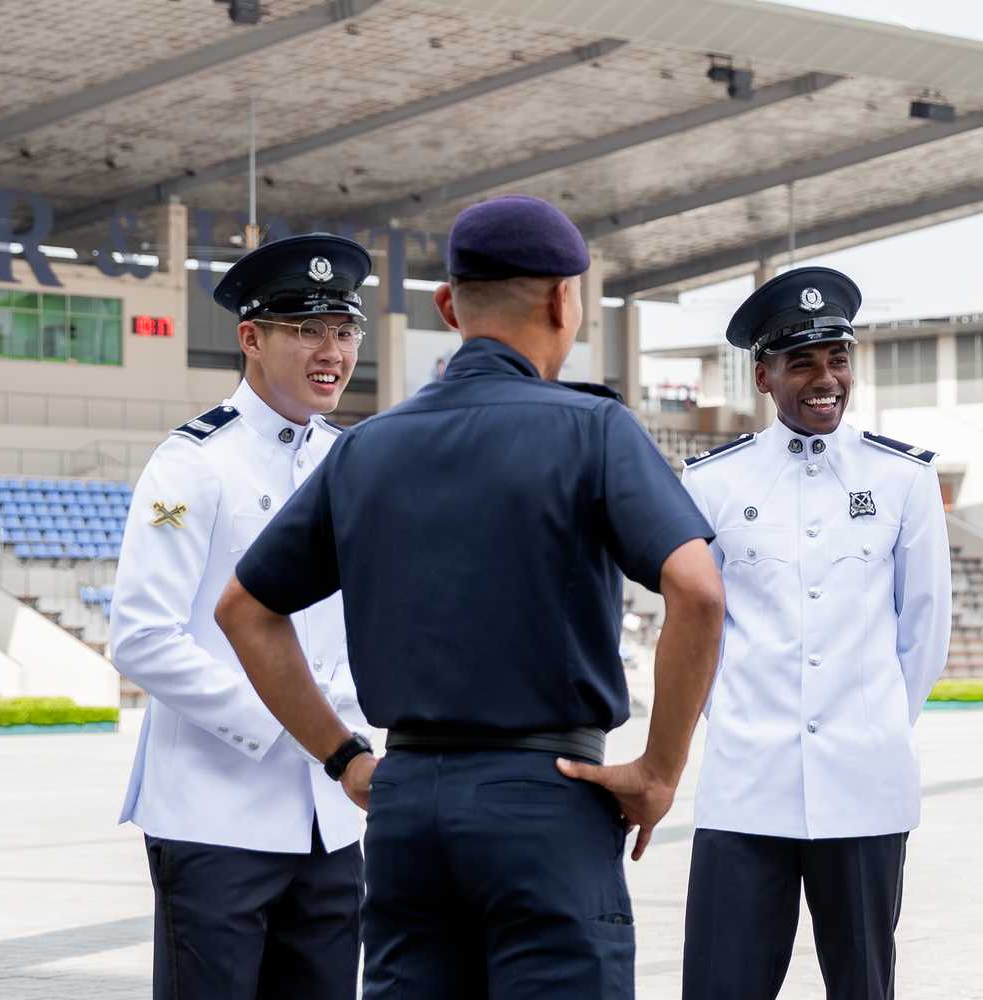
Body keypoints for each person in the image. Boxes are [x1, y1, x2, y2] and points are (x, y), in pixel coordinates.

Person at [213, 194, 725, 999]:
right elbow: (696, 591)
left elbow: (243, 610)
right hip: (547, 800)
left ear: (449, 307)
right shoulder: (592, 430)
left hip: (409, 806)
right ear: (566, 300)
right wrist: (659, 772)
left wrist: (345, 757)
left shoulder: (368, 447)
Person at [109, 233, 376, 1000]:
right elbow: (142, 636)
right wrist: (298, 727)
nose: (332, 350)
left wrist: (354, 734)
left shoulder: (350, 460)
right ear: (252, 338)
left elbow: (362, 621)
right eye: (307, 330)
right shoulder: (194, 463)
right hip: (215, 814)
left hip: (332, 817)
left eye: (345, 329)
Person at [678, 266, 952, 1000]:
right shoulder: (713, 483)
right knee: (719, 986)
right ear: (764, 376)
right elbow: (697, 631)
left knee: (863, 986)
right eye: (801, 362)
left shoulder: (903, 480)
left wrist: (872, 727)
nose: (825, 378)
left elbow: (923, 632)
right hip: (747, 786)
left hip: (864, 786)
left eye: (837, 358)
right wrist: (740, 724)